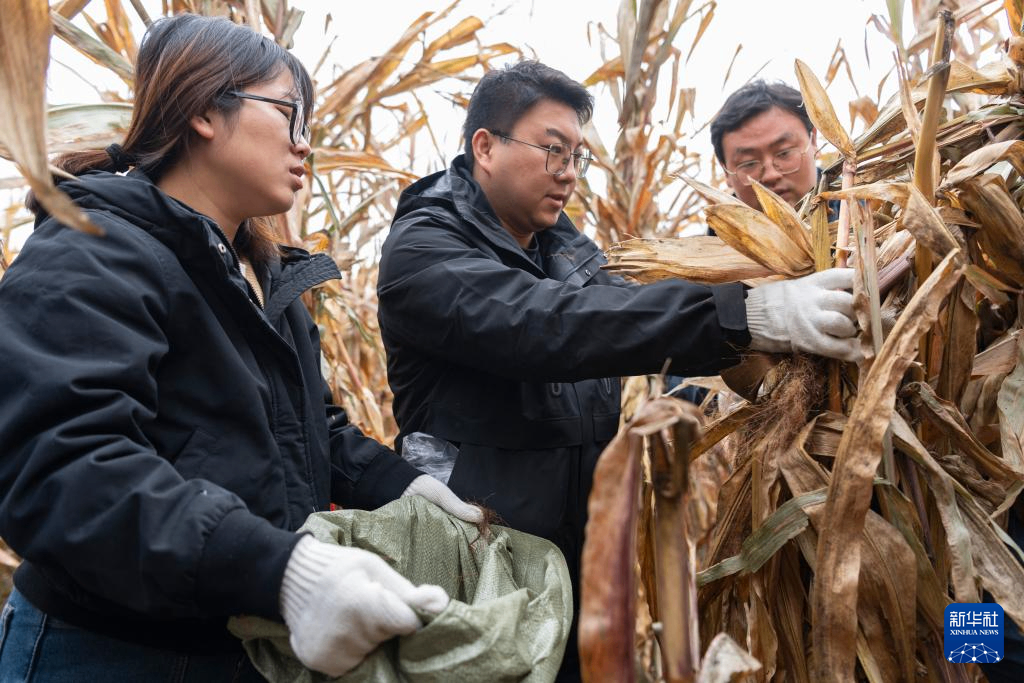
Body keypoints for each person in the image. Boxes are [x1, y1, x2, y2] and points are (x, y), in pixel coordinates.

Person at [0, 14, 481, 682]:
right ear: (203, 110)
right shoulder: (92, 250)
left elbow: (309, 429)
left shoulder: (262, 279)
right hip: (109, 650)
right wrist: (279, 569)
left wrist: (403, 487)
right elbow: (62, 465)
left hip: (243, 643)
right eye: (289, 113)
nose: (304, 143)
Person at [376, 60, 861, 680]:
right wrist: (751, 314)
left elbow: (636, 322)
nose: (568, 172)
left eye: (577, 156)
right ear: (485, 147)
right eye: (553, 151)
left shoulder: (566, 252)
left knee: (960, 625)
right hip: (479, 554)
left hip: (579, 558)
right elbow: (552, 324)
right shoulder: (424, 249)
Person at [711, 79, 822, 212]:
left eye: (784, 153)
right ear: (726, 172)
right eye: (749, 163)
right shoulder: (713, 225)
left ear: (813, 141)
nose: (770, 176)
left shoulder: (846, 211)